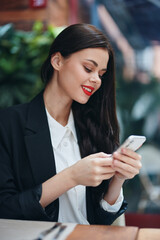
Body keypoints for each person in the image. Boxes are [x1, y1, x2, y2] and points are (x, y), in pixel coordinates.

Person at [0, 23, 142, 225]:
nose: (96, 80)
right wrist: (71, 177)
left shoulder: (94, 127)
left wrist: (118, 179)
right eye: (88, 68)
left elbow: (99, 220)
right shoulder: (8, 124)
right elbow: (5, 209)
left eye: (101, 74)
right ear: (57, 61)